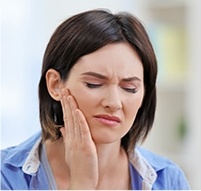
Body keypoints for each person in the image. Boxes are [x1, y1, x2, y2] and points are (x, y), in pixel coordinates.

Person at [1, 9, 190, 190]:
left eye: (129, 88)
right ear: (55, 85)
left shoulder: (168, 180)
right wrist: (81, 183)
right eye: (93, 84)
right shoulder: (6, 177)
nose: (114, 102)